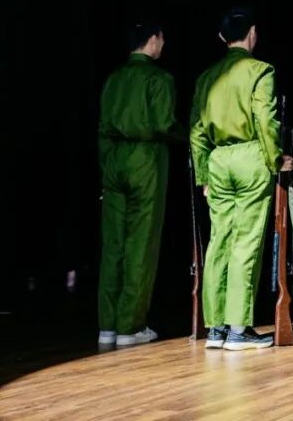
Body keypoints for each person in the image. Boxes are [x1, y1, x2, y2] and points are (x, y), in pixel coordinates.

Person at [190, 7, 293, 351]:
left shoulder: (206, 77)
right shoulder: (259, 70)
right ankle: (238, 329)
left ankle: (215, 328)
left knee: (219, 240)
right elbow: (265, 119)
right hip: (251, 156)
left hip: (218, 160)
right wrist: (276, 158)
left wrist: (204, 174)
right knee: (246, 242)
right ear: (252, 33)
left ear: (222, 37)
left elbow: (196, 131)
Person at [97, 21, 180, 347]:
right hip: (145, 160)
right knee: (141, 244)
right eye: (162, 38)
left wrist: (107, 164)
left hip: (113, 160)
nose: (163, 44)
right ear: (153, 40)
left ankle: (107, 325)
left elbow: (103, 126)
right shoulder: (159, 78)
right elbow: (164, 124)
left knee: (113, 245)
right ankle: (130, 326)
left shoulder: (114, 78)